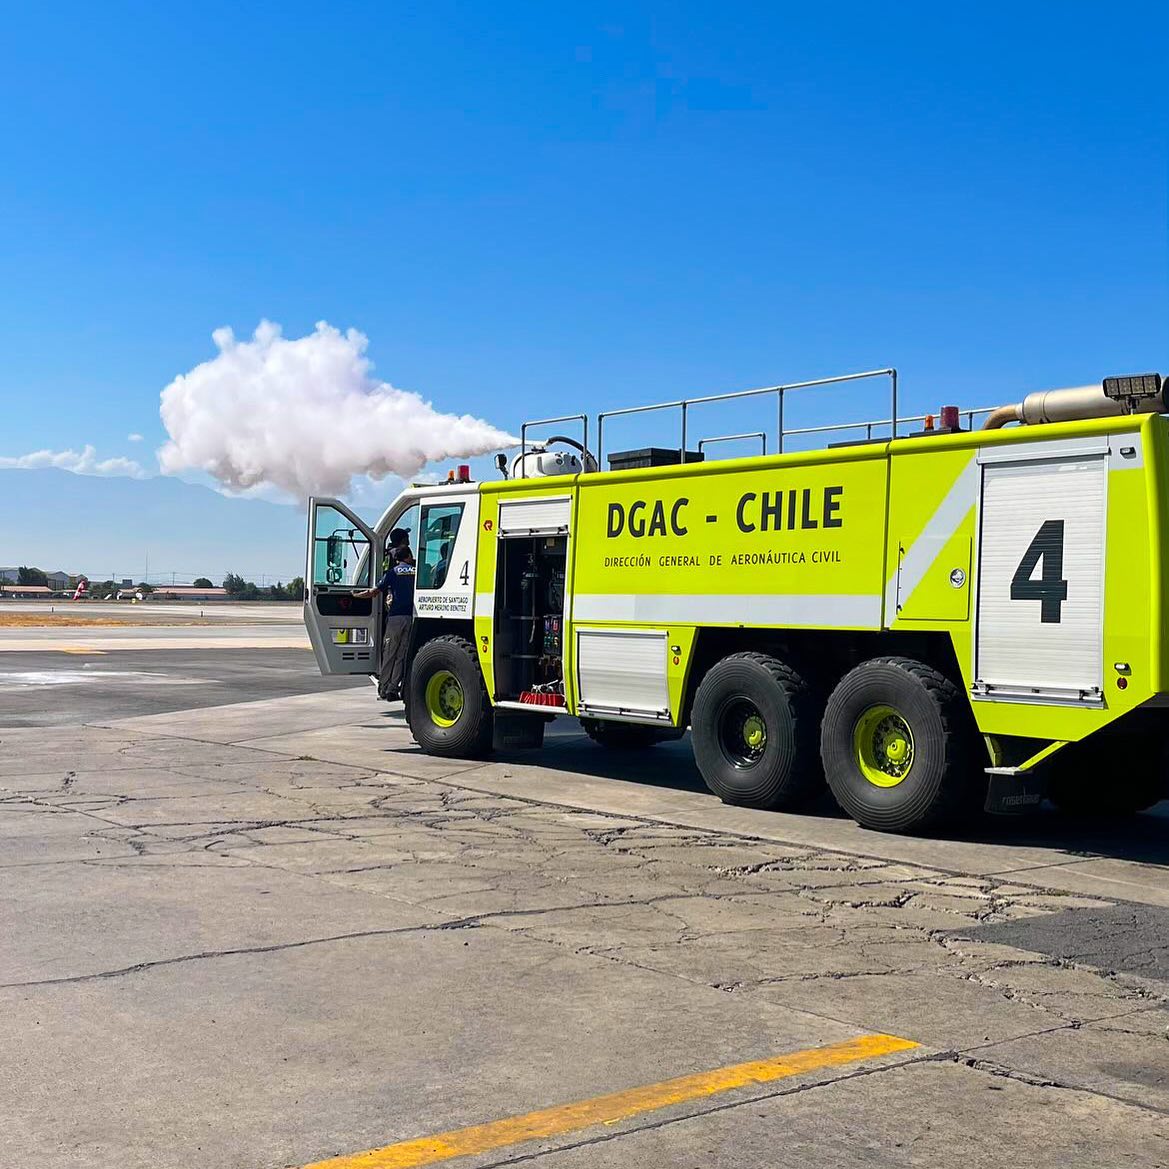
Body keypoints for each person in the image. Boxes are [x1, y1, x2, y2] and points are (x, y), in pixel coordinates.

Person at [356, 535, 416, 702]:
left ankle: (383, 688)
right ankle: (392, 688)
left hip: (395, 617)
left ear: (397, 559)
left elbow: (374, 592)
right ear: (409, 557)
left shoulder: (392, 572)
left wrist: (356, 595)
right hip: (411, 618)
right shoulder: (417, 572)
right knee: (401, 655)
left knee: (390, 652)